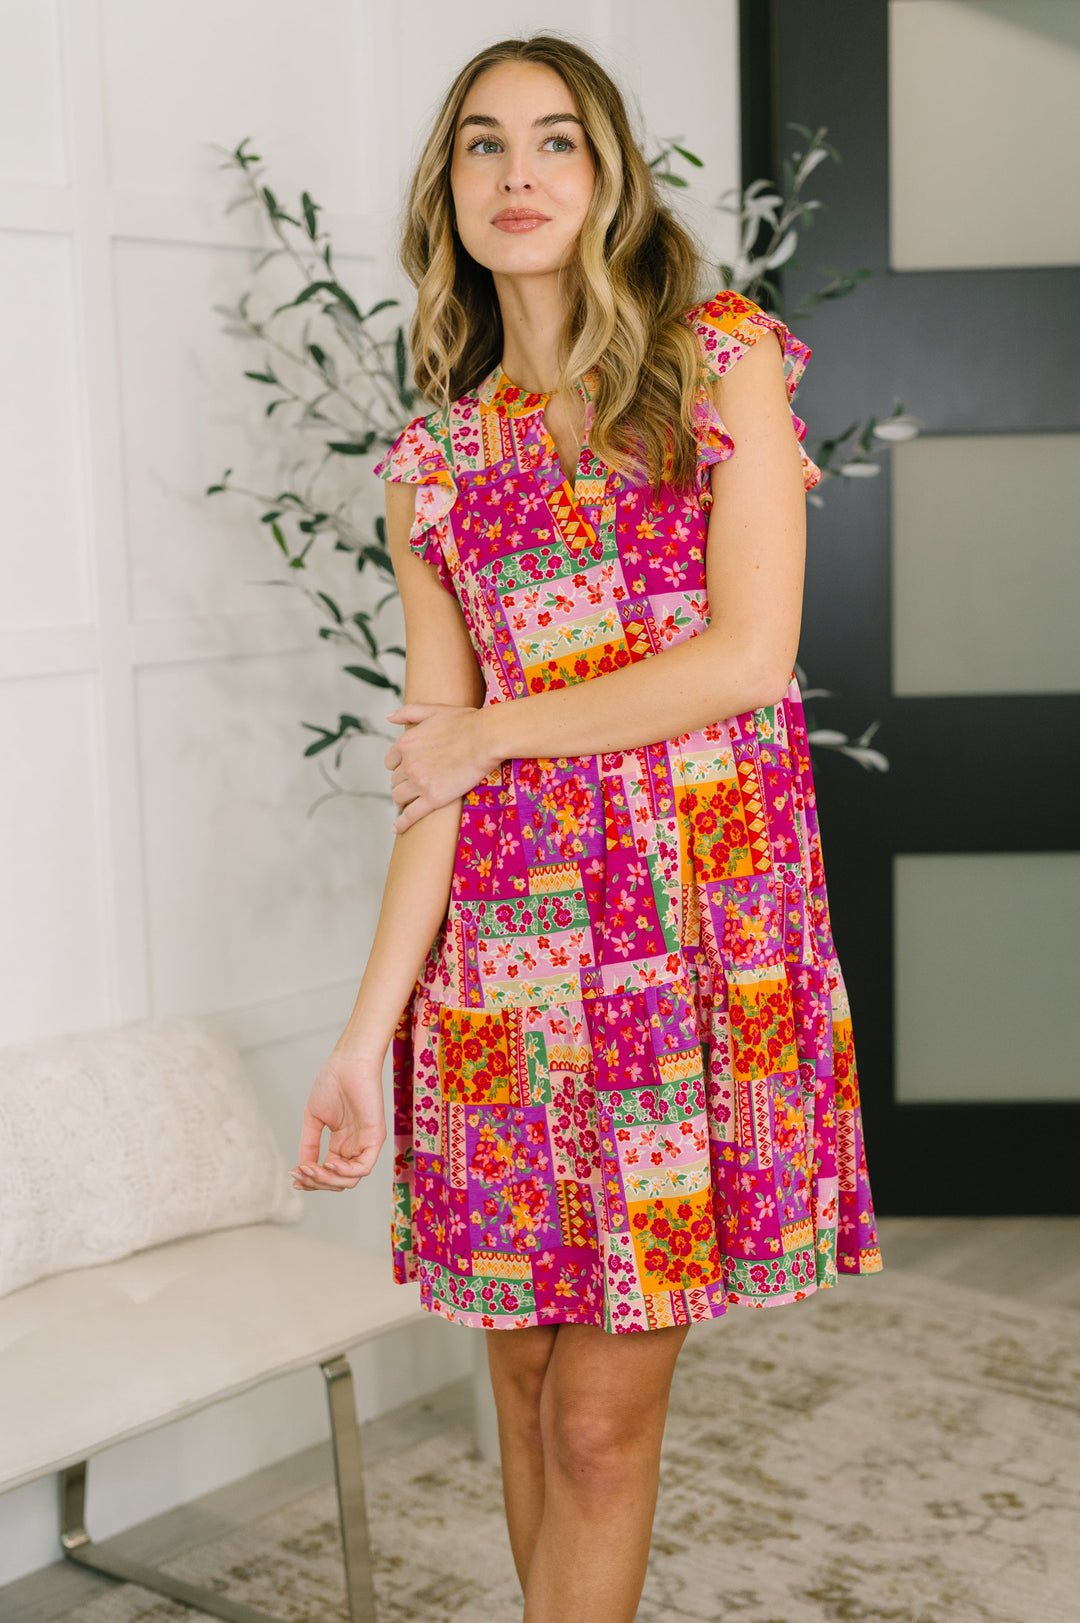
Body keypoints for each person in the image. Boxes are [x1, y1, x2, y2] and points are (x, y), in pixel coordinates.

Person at [290, 32, 883, 1623]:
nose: (521, 173)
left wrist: (497, 727)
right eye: (483, 147)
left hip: (694, 941)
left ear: (610, 174)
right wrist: (365, 1036)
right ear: (452, 194)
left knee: (607, 1422)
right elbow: (438, 773)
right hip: (497, 970)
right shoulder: (432, 465)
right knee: (531, 1397)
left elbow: (748, 659)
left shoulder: (719, 360)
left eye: (556, 140)